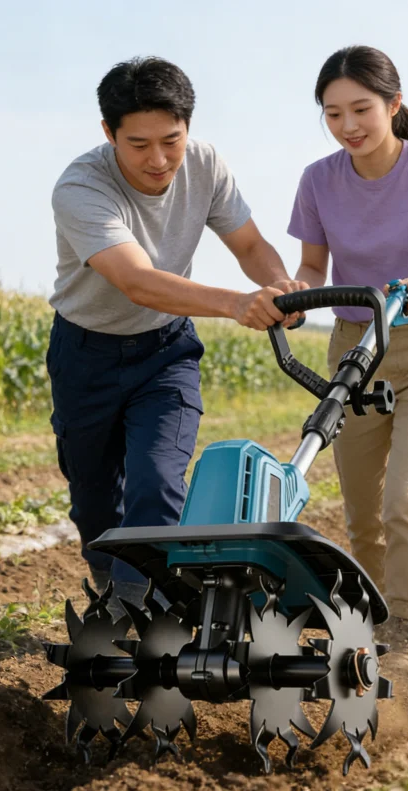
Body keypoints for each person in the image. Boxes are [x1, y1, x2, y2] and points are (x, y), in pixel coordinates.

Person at [47, 56, 307, 613]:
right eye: (138, 144)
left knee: (158, 482)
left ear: (188, 127)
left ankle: (146, 611)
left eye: (172, 140)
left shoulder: (206, 165)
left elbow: (250, 246)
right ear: (108, 133)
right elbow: (137, 282)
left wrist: (279, 286)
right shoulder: (81, 186)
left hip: (165, 354)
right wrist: (238, 304)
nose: (159, 160)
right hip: (85, 355)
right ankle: (116, 585)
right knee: (93, 503)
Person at [287, 45, 408, 683]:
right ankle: (369, 626)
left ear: (393, 105)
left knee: (407, 498)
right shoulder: (319, 179)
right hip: (353, 350)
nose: (348, 125)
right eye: (333, 113)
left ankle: (407, 630)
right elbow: (313, 268)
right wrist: (294, 297)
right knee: (364, 514)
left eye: (361, 109)